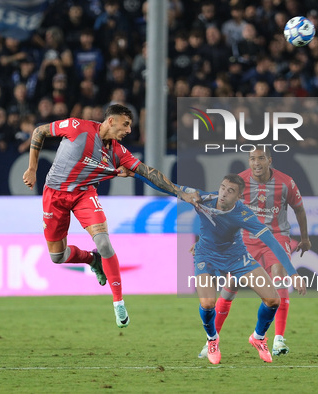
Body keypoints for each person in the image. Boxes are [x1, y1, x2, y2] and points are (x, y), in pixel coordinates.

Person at [22, 104, 198, 328]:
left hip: (84, 195)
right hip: (54, 196)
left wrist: (179, 192)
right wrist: (32, 168)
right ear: (111, 121)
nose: (129, 130)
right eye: (126, 124)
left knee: (104, 242)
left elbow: (147, 172)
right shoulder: (78, 127)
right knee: (57, 257)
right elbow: (39, 131)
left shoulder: (118, 152)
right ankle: (92, 259)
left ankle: (118, 303)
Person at [131, 172, 306, 364]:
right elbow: (167, 185)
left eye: (230, 191)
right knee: (207, 304)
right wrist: (136, 173)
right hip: (206, 256)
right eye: (223, 187)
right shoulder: (202, 198)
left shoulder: (244, 214)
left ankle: (258, 337)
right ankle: (212, 339)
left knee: (273, 299)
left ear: (239, 197)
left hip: (237, 257)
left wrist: (293, 273)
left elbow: (272, 242)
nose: (224, 193)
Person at [201, 148, 312, 358]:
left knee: (278, 279)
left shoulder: (286, 182)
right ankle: (212, 340)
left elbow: (299, 208)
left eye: (261, 158)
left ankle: (278, 339)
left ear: (269, 160)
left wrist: (304, 238)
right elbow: (222, 208)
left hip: (276, 236)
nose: (256, 162)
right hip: (246, 239)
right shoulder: (240, 182)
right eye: (252, 159)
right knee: (230, 287)